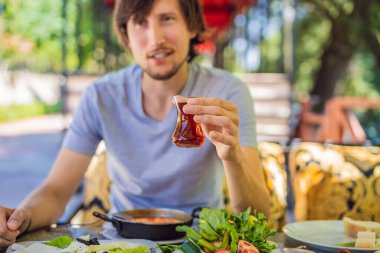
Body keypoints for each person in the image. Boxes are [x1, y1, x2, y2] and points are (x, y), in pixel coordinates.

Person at [0, 0, 270, 248]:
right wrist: (17, 220)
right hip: (120, 241)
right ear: (126, 35)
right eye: (140, 22)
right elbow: (56, 191)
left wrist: (232, 156)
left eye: (167, 18)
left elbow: (259, 216)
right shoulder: (101, 96)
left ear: (192, 26)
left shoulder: (227, 91)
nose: (156, 39)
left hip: (200, 242)